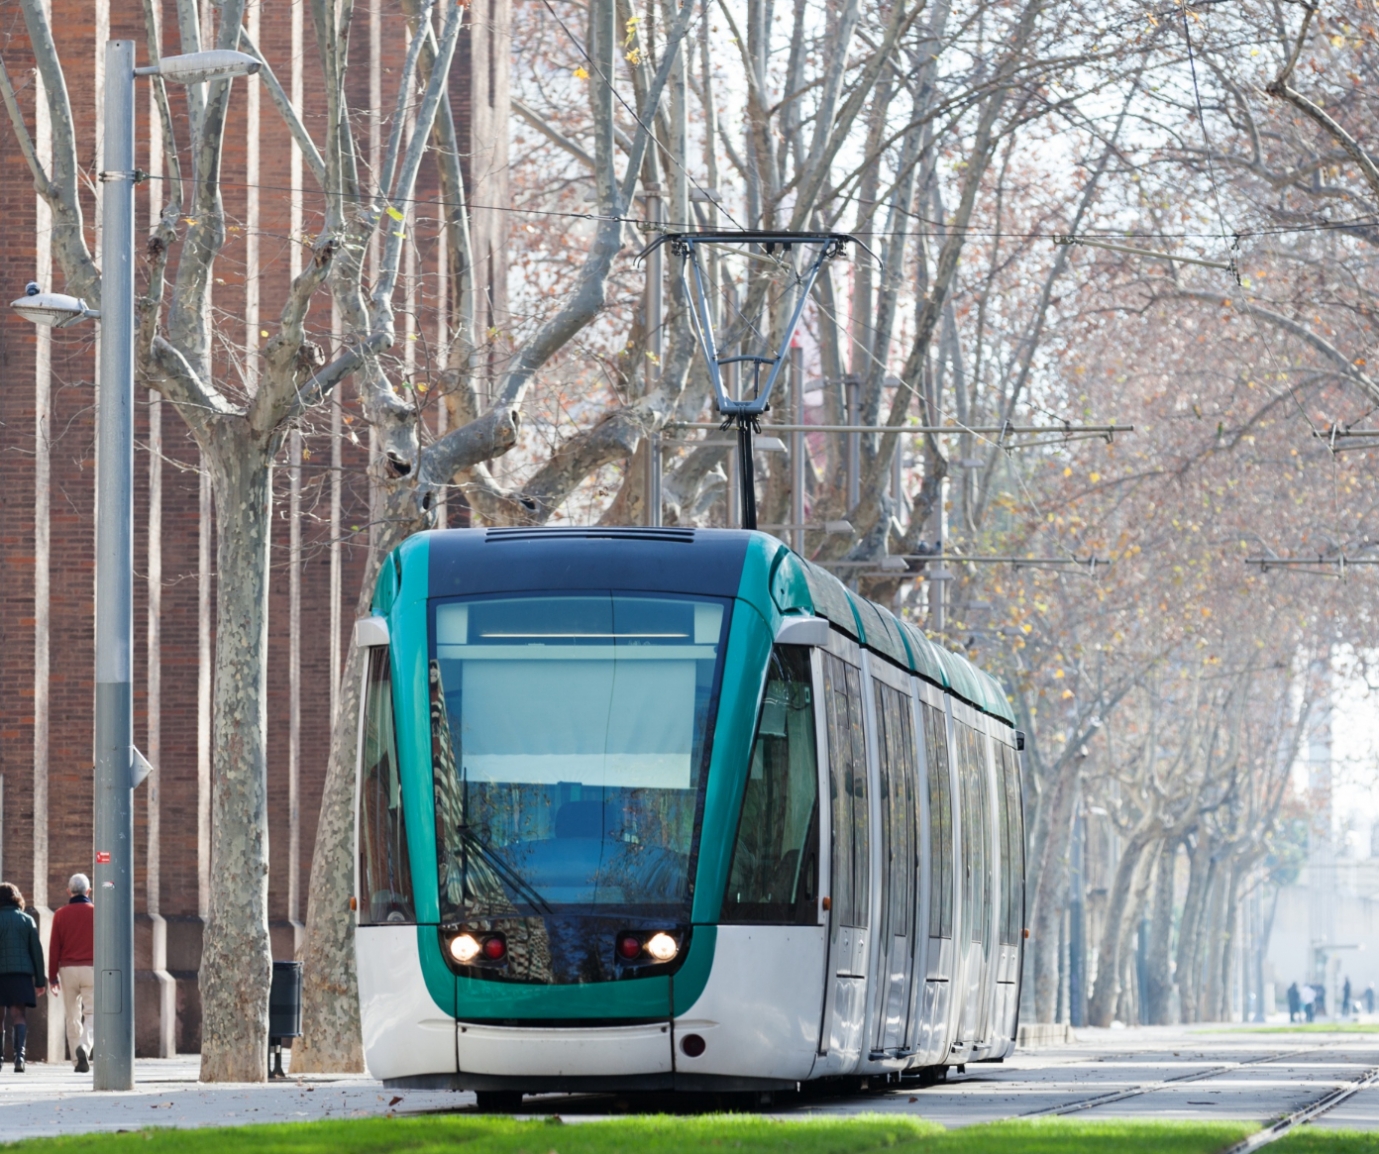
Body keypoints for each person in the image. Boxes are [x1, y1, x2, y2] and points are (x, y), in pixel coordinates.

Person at [48, 874, 94, 1072]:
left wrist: (52, 977)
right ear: (88, 891)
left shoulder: (60, 914)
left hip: (67, 969)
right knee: (93, 1013)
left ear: (69, 891)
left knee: (72, 1015)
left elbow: (54, 947)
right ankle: (85, 1046)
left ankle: (77, 1059)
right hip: (92, 968)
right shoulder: (97, 912)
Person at [0, 883, 46, 1072]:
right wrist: (40, 981)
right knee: (19, 1015)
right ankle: (20, 1058)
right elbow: (36, 951)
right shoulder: (27, 920)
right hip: (20, 974)